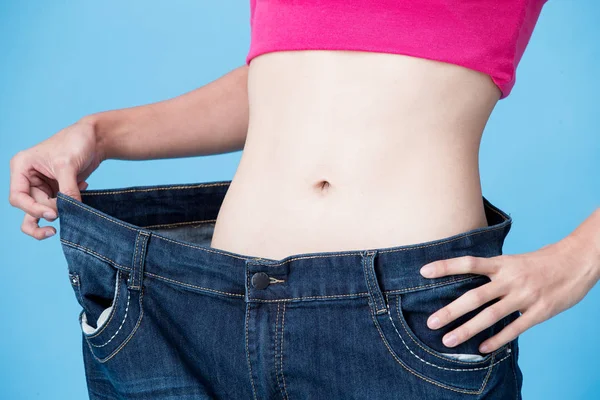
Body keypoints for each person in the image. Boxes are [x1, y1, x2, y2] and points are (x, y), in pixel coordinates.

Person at [7, 0, 599, 399]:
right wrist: (100, 134)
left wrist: (577, 259)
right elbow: (284, 81)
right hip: (191, 306)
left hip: (406, 324)